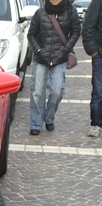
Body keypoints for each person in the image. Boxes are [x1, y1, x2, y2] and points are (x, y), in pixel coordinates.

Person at [27, 0, 80, 135]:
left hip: (60, 58)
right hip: (41, 59)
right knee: (37, 91)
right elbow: (31, 34)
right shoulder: (40, 13)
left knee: (57, 92)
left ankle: (49, 117)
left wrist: (65, 49)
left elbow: (75, 32)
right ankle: (36, 124)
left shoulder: (70, 11)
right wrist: (38, 50)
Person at [83, 0, 102, 136]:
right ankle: (96, 124)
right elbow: (88, 26)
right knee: (99, 91)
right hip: (100, 53)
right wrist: (93, 51)